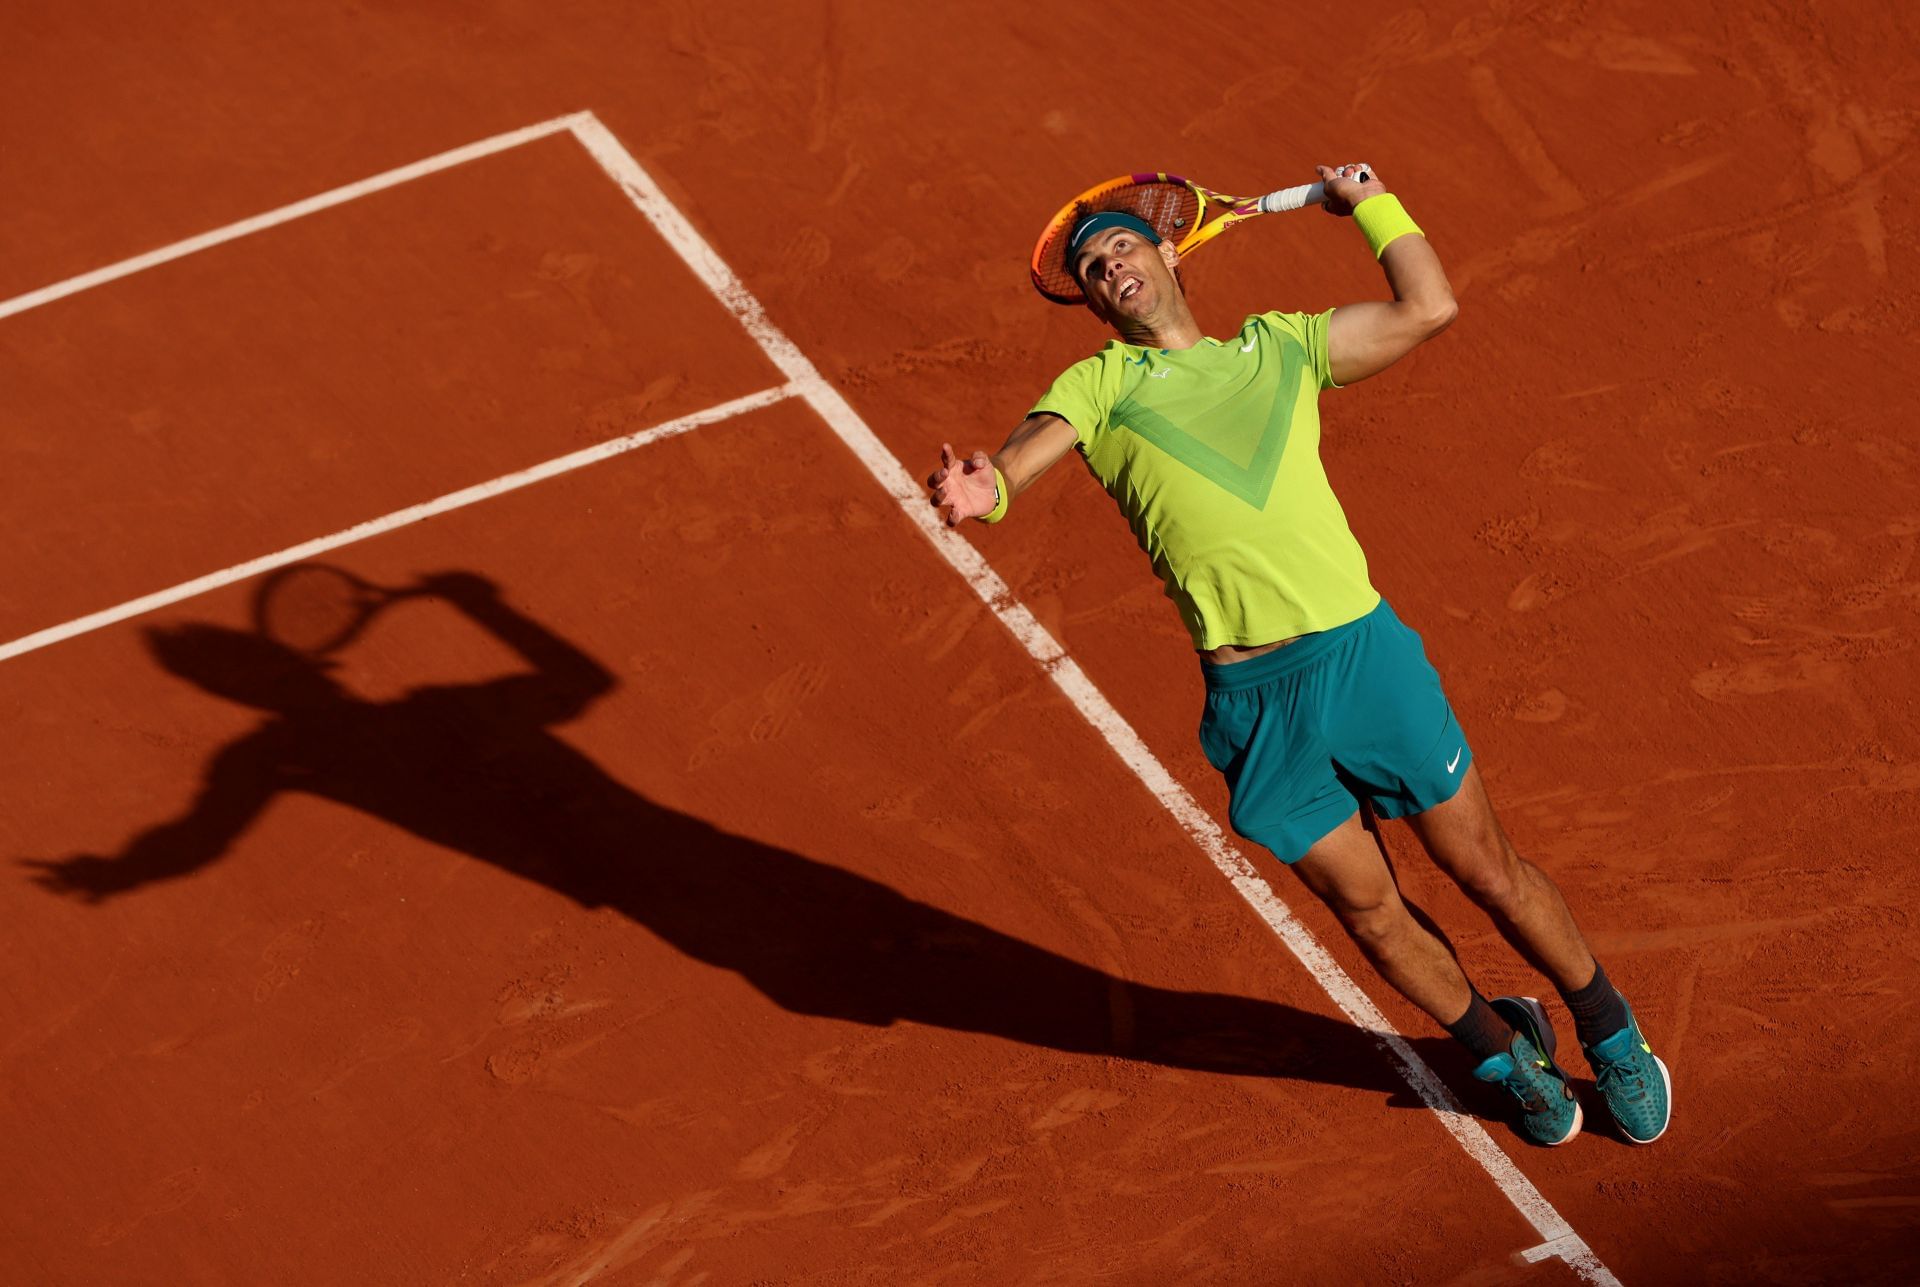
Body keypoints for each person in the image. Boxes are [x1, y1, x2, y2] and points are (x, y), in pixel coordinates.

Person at [926, 164, 1670, 1147]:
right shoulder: (1102, 386)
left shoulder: (1282, 349)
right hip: (1253, 707)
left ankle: (1610, 1028)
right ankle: (1501, 1052)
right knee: (1370, 913)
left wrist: (1369, 201)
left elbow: (1429, 304)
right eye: (1093, 269)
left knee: (1483, 866)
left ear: (1167, 253)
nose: (1110, 268)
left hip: (1364, 661)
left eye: (1120, 248)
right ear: (1098, 303)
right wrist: (992, 491)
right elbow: (1026, 452)